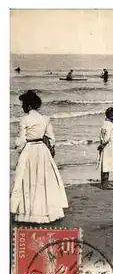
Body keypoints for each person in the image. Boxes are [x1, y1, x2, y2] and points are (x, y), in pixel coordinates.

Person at [10, 90, 68, 223]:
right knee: (44, 181)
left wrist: (19, 150)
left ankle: (28, 214)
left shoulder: (24, 119)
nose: (22, 107)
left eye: (23, 104)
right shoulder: (45, 119)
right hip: (42, 150)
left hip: (29, 150)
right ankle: (48, 213)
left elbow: (21, 141)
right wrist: (50, 147)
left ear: (28, 106)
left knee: (27, 179)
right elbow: (51, 138)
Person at [97, 107, 113, 190]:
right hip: (109, 147)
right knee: (108, 165)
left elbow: (102, 135)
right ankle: (105, 184)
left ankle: (104, 183)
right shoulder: (110, 125)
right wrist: (103, 144)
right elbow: (107, 137)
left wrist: (101, 143)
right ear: (112, 116)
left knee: (105, 165)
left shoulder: (104, 123)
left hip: (105, 147)